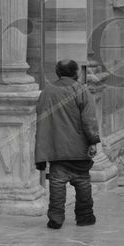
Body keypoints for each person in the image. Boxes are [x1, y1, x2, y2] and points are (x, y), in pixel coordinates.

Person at [34, 59, 101, 229]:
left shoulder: (47, 91)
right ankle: (85, 216)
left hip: (56, 148)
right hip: (78, 147)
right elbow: (89, 119)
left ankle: (56, 217)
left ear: (58, 72)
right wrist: (93, 140)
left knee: (57, 182)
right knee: (83, 181)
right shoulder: (81, 90)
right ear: (76, 73)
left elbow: (41, 116)